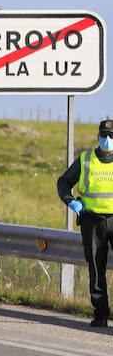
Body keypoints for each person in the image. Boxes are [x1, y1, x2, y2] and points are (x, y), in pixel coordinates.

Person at [57, 118, 113, 327]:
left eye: (112, 136)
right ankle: (100, 315)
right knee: (96, 269)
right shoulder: (86, 160)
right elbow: (63, 182)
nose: (108, 139)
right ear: (98, 136)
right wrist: (71, 202)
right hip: (92, 220)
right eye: (104, 135)